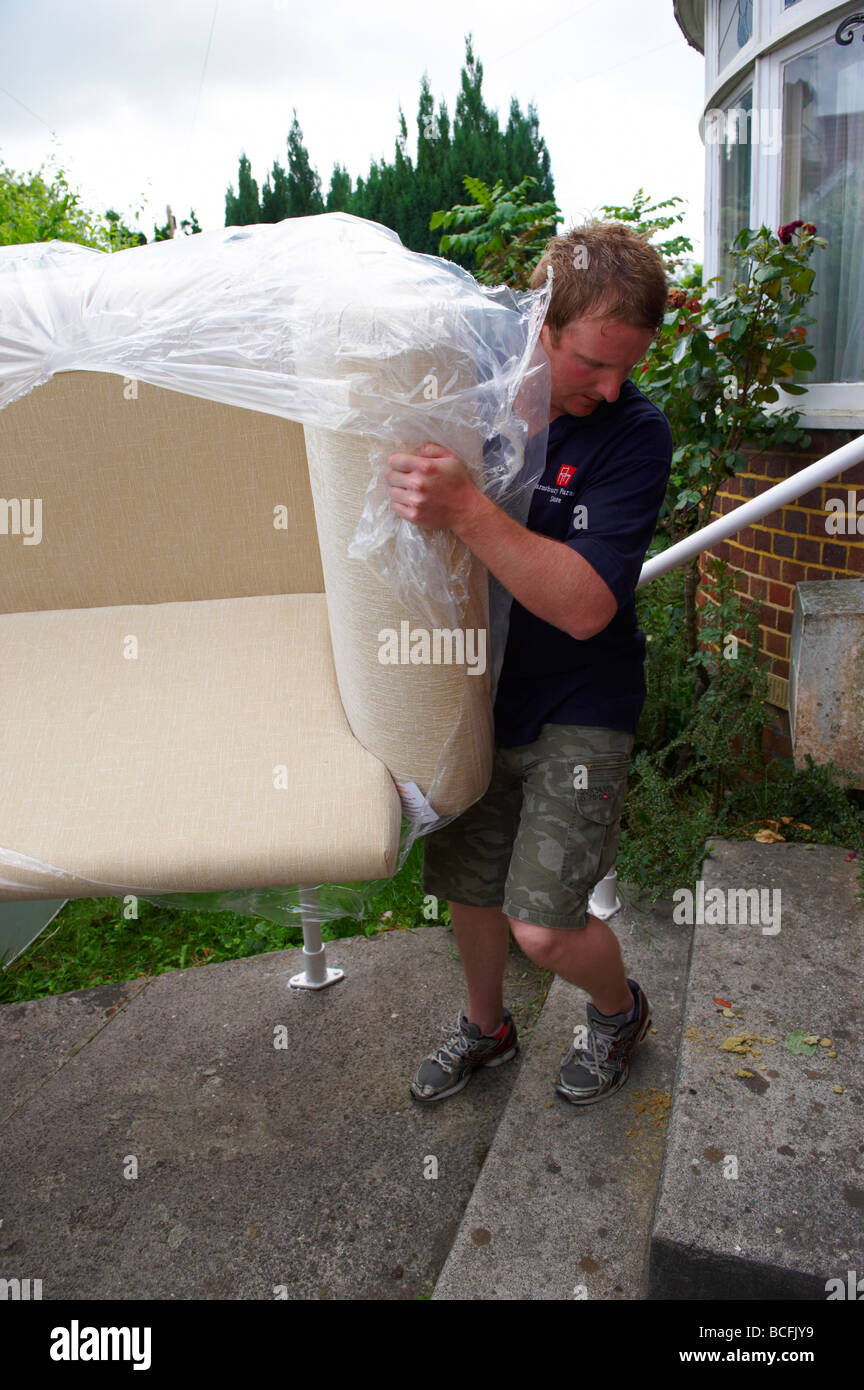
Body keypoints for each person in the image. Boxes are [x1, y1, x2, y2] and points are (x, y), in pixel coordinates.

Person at [384, 221, 674, 1106]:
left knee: (541, 928)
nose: (612, 383)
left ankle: (619, 1012)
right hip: (475, 692)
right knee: (471, 893)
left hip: (584, 701)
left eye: (628, 364)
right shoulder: (457, 396)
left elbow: (588, 605)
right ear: (543, 321)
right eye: (593, 360)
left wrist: (468, 509)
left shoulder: (636, 433)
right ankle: (487, 1028)